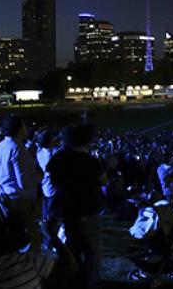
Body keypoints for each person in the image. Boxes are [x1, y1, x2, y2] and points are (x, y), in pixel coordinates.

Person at [47, 124, 106, 289]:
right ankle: (90, 283)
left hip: (67, 211)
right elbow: (103, 181)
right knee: (93, 251)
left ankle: (73, 279)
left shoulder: (58, 158)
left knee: (72, 247)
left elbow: (52, 179)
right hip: (88, 211)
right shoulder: (91, 161)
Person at [0, 115, 41, 251]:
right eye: (24, 126)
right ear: (18, 129)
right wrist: (39, 177)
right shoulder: (18, 149)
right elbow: (24, 181)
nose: (26, 129)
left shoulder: (0, 146)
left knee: (12, 235)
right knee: (29, 237)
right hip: (20, 198)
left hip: (5, 195)